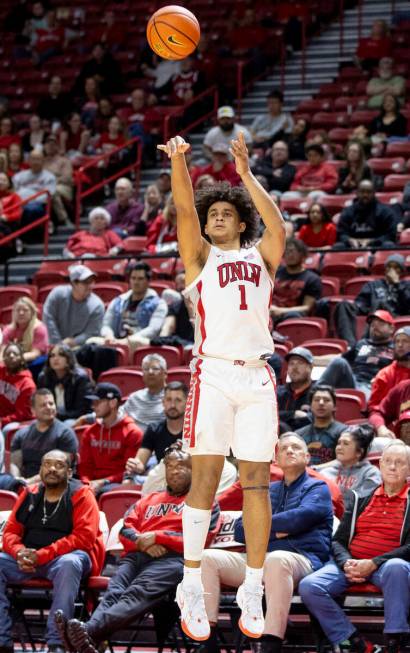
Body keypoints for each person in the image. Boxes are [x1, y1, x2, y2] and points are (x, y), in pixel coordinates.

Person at [156, 131, 285, 640]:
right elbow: (184, 212)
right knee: (205, 481)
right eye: (213, 215)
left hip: (256, 375)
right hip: (212, 372)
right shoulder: (200, 260)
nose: (216, 219)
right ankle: (191, 581)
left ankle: (252, 584)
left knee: (256, 482)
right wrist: (180, 162)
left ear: (239, 219)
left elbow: (277, 224)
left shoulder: (261, 259)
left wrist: (246, 175)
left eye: (225, 213)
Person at [54, 448, 220, 653]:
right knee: (113, 593)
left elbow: (200, 540)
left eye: (181, 467)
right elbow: (125, 529)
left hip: (175, 560)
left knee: (136, 592)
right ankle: (85, 639)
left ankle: (87, 632)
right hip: (137, 555)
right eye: (170, 467)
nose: (175, 471)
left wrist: (157, 537)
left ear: (194, 470)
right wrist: (144, 543)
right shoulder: (149, 499)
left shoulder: (205, 502)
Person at [201, 432, 333, 653]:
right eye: (283, 449)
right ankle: (208, 641)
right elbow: (241, 532)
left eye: (295, 448)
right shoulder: (265, 490)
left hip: (302, 560)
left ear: (307, 457)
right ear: (276, 459)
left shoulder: (318, 488)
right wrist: (278, 532)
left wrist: (262, 528)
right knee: (208, 559)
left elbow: (299, 519)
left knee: (277, 560)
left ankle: (271, 643)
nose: (289, 451)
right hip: (259, 560)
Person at [299, 441, 410, 653]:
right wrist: (346, 563)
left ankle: (395, 641)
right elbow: (338, 540)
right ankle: (352, 640)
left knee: (398, 567)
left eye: (400, 463)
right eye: (388, 462)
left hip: (386, 568)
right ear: (380, 466)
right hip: (352, 563)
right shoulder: (361, 499)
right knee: (310, 586)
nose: (393, 467)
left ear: (409, 469)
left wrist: (374, 563)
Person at [0, 449, 104, 653]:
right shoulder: (30, 493)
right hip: (28, 558)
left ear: (69, 472)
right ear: (40, 469)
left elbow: (84, 538)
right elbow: (11, 531)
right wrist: (20, 552)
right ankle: (2, 640)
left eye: (59, 465)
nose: (52, 469)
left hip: (65, 558)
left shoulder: (82, 494)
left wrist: (40, 556)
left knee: (69, 563)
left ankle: (57, 642)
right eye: (47, 464)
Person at [78, 383, 143, 495]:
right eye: (93, 403)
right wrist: (87, 483)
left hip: (115, 483)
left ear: (113, 403)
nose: (93, 406)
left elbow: (128, 471)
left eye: (97, 402)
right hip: (91, 483)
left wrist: (103, 482)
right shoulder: (90, 432)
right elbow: (84, 466)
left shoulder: (132, 432)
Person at [334, 254, 410, 347]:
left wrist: (397, 284)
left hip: (395, 316)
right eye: (389, 266)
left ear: (401, 271)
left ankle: (364, 343)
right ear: (385, 269)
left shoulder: (406, 285)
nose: (391, 270)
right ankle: (351, 345)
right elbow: (362, 303)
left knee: (379, 304)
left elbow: (407, 307)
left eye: (396, 267)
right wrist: (357, 306)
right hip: (374, 313)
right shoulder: (373, 285)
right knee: (343, 304)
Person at [318, 310, 395, 398]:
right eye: (372, 325)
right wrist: (313, 359)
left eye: (380, 324)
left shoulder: (396, 348)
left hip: (375, 386)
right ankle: (312, 400)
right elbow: (338, 359)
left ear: (391, 329)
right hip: (354, 381)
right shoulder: (361, 344)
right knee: (339, 362)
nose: (375, 327)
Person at [11, 388, 78, 485]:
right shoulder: (21, 434)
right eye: (43, 405)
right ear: (33, 410)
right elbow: (15, 464)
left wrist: (30, 482)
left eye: (51, 403)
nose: (49, 407)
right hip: (26, 484)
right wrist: (17, 481)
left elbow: (59, 469)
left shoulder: (66, 434)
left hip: (56, 484)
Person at [94, 261, 167, 350]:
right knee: (91, 342)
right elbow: (106, 325)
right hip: (116, 340)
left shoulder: (159, 303)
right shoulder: (118, 301)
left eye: (140, 279)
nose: (136, 282)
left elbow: (153, 330)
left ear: (148, 281)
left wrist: (127, 340)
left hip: (138, 343)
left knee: (136, 342)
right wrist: (109, 336)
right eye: (133, 278)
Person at [124, 381, 188, 481]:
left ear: (187, 403)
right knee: (129, 479)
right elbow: (140, 462)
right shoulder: (154, 429)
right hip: (161, 479)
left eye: (178, 400)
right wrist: (135, 465)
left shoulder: (194, 431)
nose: (172, 405)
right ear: (163, 402)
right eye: (168, 400)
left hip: (187, 480)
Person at [43, 264, 104, 348]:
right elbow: (48, 319)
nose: (90, 286)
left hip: (81, 348)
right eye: (86, 282)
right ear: (73, 283)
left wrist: (73, 342)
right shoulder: (57, 294)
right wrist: (58, 345)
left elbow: (91, 332)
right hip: (54, 346)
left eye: (92, 281)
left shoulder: (97, 305)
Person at [317, 424, 381, 498]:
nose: (339, 448)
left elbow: (363, 501)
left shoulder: (371, 474)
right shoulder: (326, 472)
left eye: (346, 444)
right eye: (339, 443)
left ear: (359, 452)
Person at [37, 345, 94, 423]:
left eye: (61, 355)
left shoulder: (80, 378)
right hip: (53, 417)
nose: (55, 359)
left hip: (76, 419)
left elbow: (82, 411)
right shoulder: (43, 378)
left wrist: (56, 415)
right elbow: (40, 404)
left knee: (67, 423)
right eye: (52, 356)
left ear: (69, 359)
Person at [270, 238, 322, 322]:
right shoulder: (275, 274)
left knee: (292, 315)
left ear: (303, 255)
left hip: (291, 315)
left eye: (293, 251)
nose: (290, 255)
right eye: (287, 251)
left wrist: (280, 311)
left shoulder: (312, 279)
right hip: (270, 312)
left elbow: (307, 308)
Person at [336, 180, 396, 249]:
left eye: (368, 192)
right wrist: (349, 240)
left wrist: (371, 241)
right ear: (357, 193)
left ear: (374, 193)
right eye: (362, 192)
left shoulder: (385, 212)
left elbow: (390, 235)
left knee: (388, 245)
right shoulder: (348, 211)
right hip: (353, 247)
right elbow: (341, 233)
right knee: (338, 246)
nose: (365, 195)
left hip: (377, 247)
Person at [296, 385, 346, 465]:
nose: (321, 403)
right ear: (310, 406)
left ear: (334, 406)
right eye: (316, 400)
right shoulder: (298, 435)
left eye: (326, 400)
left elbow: (345, 461)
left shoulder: (345, 433)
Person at [368, 327, 410, 420]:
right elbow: (374, 410)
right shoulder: (384, 374)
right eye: (397, 341)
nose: (400, 345)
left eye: (405, 341)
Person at [13, 150, 57, 233]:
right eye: (33, 159)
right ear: (28, 160)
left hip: (39, 205)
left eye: (38, 159)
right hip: (20, 203)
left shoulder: (49, 177)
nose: (35, 162)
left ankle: (28, 234)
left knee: (30, 209)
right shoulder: (19, 176)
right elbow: (14, 192)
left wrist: (29, 201)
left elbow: (49, 195)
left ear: (43, 160)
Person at [121, 353, 167, 432]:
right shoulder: (134, 398)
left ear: (165, 374)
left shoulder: (173, 397)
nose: (150, 372)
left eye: (155, 369)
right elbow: (117, 416)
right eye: (146, 369)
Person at [1, 296, 48, 367]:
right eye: (18, 310)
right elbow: (3, 352)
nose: (21, 313)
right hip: (13, 360)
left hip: (34, 363)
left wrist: (16, 359)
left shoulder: (39, 328)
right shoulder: (8, 329)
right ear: (13, 313)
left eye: (25, 310)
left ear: (32, 312)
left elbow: (35, 353)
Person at [277, 347, 315, 432]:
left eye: (300, 363)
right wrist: (293, 414)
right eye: (291, 363)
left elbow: (316, 419)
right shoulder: (278, 392)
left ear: (310, 367)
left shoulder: (317, 392)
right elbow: (268, 415)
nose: (295, 368)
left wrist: (284, 415)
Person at [0, 343, 35, 432]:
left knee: (8, 429)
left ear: (22, 359)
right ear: (4, 358)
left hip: (19, 421)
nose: (11, 356)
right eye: (8, 354)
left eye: (15, 354)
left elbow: (23, 414)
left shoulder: (28, 385)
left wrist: (2, 421)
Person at [43, 133, 74, 226]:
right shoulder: (41, 162)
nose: (50, 146)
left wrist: (52, 181)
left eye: (52, 144)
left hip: (62, 187)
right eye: (47, 144)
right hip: (44, 188)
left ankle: (64, 219)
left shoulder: (64, 160)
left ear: (57, 146)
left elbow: (67, 178)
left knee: (52, 191)